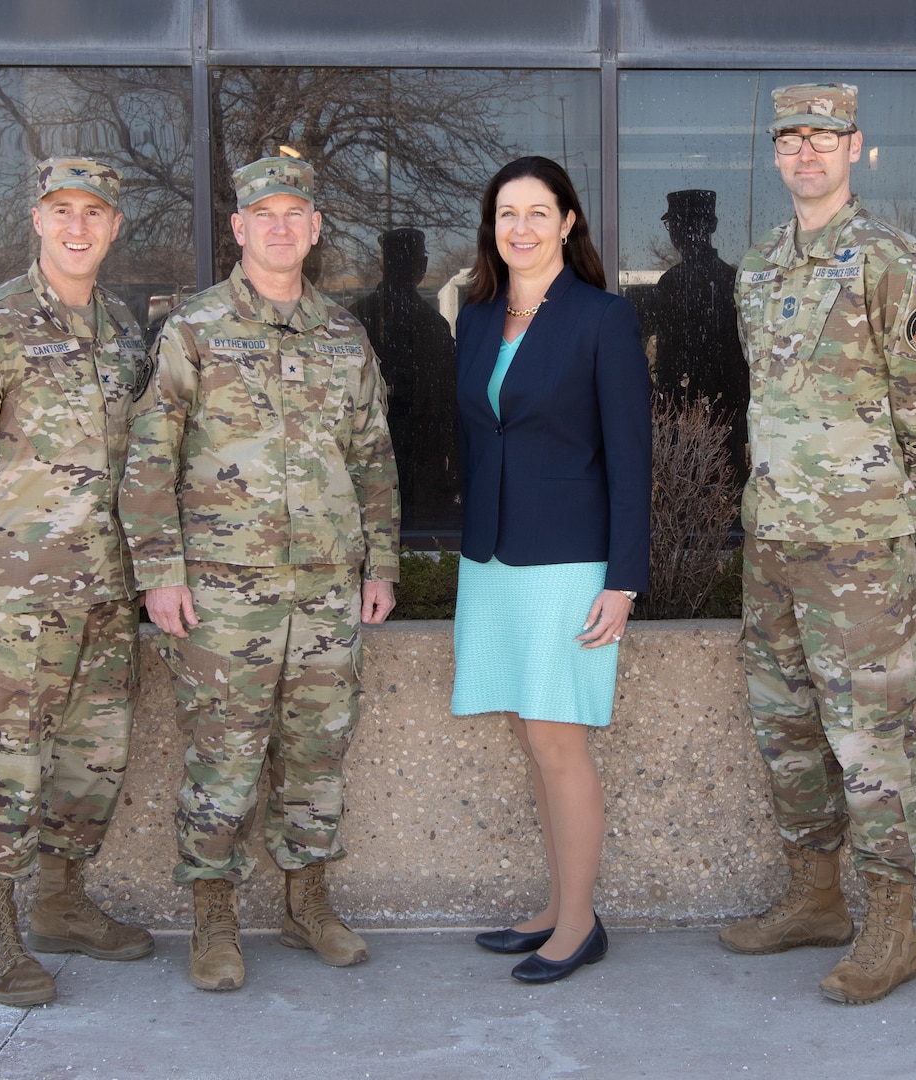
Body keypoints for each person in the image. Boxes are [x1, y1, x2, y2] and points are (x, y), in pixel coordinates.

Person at [119, 156, 399, 991]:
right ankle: (213, 920)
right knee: (224, 756)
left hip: (324, 590)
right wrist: (159, 571)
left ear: (315, 230)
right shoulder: (194, 329)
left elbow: (373, 455)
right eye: (263, 215)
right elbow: (148, 456)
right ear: (238, 230)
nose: (280, 228)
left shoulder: (343, 334)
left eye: (295, 215)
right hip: (221, 593)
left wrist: (381, 561)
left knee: (318, 750)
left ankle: (307, 902)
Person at [721, 83, 916, 1005]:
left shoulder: (896, 263)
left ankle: (892, 926)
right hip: (773, 544)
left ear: (856, 147)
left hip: (859, 554)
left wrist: (884, 507)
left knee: (870, 739)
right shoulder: (760, 265)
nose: (807, 154)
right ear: (777, 154)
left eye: (825, 138)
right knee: (787, 730)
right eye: (791, 139)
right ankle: (815, 899)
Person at [0, 156, 156, 1007]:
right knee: (9, 769)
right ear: (37, 220)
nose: (78, 226)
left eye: (94, 212)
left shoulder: (123, 330)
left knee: (93, 763)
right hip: (14, 600)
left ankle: (61, 903)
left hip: (108, 596)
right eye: (61, 210)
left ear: (115, 226)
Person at [453, 156, 651, 985]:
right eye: (508, 213)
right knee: (531, 739)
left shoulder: (602, 318)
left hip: (571, 561)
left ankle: (579, 925)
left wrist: (624, 578)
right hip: (493, 559)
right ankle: (555, 906)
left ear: (568, 222)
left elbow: (632, 457)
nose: (522, 228)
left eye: (539, 212)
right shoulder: (475, 316)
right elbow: (475, 437)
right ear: (491, 226)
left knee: (560, 743)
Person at [351, 228, 460, 533]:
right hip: (372, 451)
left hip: (421, 454)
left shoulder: (431, 325)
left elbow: (447, 398)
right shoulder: (356, 321)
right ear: (421, 268)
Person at [642, 189, 748, 468]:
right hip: (719, 411)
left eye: (683, 224)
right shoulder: (730, 279)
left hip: (695, 411)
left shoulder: (679, 282)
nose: (677, 232)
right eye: (674, 225)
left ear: (708, 226)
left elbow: (668, 360)